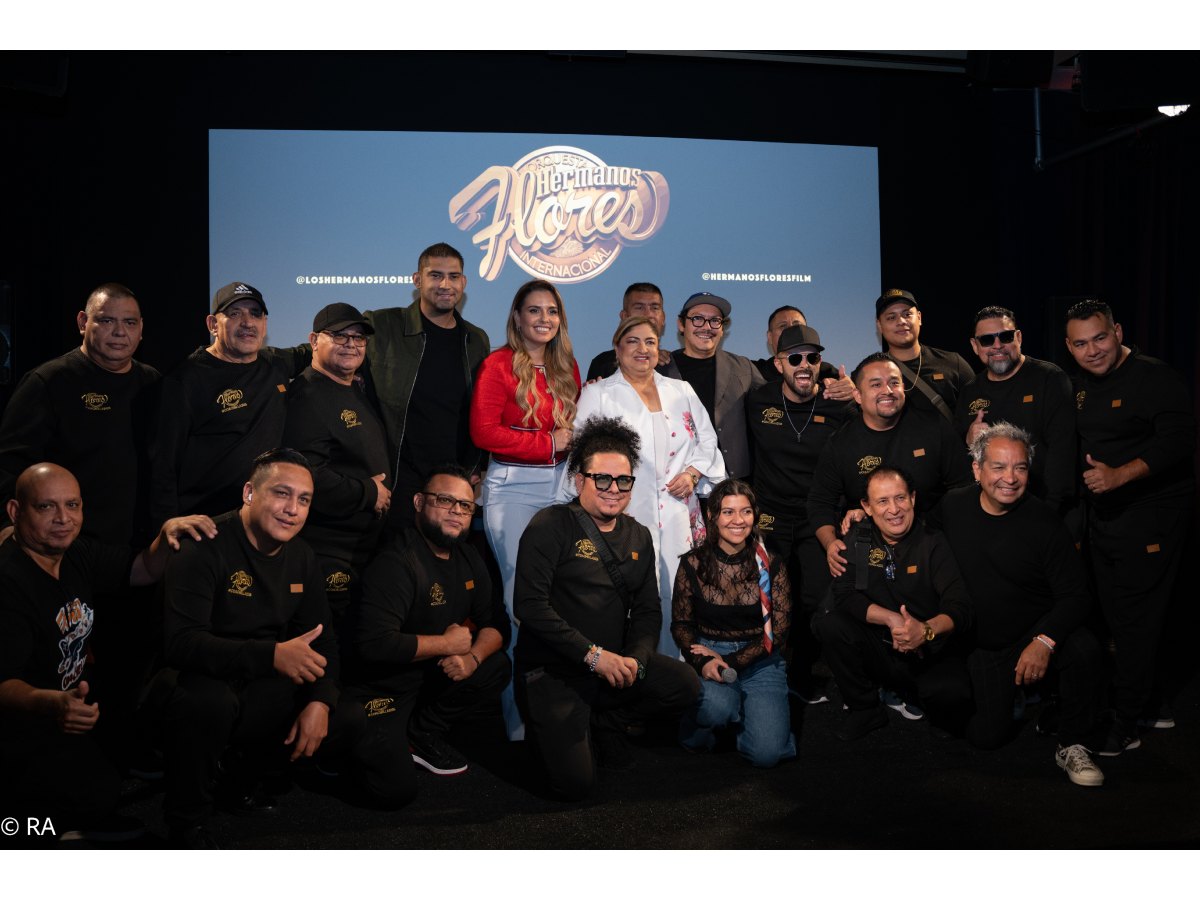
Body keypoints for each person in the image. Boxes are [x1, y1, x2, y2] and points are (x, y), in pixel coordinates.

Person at [0, 463, 215, 841]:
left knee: (112, 771)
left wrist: (166, 536)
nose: (63, 519)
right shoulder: (9, 580)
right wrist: (51, 704)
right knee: (65, 808)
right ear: (16, 512)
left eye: (73, 505)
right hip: (23, 720)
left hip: (67, 709)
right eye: (46, 507)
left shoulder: (75, 553)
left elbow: (140, 569)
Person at [154, 448, 344, 848]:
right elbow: (181, 644)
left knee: (322, 702)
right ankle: (185, 818)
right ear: (248, 493)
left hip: (258, 672)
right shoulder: (204, 544)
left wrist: (321, 702)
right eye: (281, 493)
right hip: (196, 674)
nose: (292, 509)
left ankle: (239, 782)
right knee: (208, 701)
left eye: (304, 499)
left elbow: (322, 639)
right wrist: (272, 656)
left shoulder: (303, 556)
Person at [514, 416, 699, 800]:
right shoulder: (550, 525)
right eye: (602, 479)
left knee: (683, 686)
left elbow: (648, 610)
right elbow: (529, 607)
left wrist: (637, 660)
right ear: (579, 479)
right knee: (574, 787)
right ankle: (557, 727)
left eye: (623, 480)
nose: (613, 489)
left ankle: (606, 720)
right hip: (555, 671)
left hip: (612, 665)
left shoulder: (639, 535)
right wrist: (593, 656)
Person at [937, 424, 1106, 787]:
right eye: (998, 467)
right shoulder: (952, 507)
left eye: (1020, 468)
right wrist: (861, 519)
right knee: (985, 737)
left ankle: (1073, 741)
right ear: (977, 470)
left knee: (1084, 649)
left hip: (1034, 628)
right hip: (986, 641)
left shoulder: (1044, 521)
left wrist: (1044, 641)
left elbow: (1077, 595)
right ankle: (1027, 698)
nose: (1010, 478)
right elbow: (908, 535)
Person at [1065, 299, 1195, 752]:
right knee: (1116, 617)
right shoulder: (1081, 385)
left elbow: (1181, 440)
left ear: (1117, 331)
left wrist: (1120, 475)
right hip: (1104, 520)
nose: (1093, 350)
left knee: (1136, 621)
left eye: (1100, 338)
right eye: (1081, 344)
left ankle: (1126, 722)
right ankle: (1151, 702)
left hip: (1151, 517)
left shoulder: (1154, 376)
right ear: (1070, 347)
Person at [346, 466, 510, 805]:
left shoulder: (467, 556)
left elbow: (496, 623)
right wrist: (447, 645)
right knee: (394, 792)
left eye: (465, 506)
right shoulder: (396, 561)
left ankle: (419, 733)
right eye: (445, 500)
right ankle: (343, 750)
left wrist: (472, 656)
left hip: (429, 676)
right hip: (381, 686)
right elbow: (373, 645)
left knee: (496, 666)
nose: (456, 511)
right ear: (419, 502)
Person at [562, 316, 726, 654]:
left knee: (679, 597)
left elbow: (708, 441)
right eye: (633, 341)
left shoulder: (680, 390)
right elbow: (580, 457)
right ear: (617, 349)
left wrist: (694, 473)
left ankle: (677, 674)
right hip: (623, 517)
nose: (643, 349)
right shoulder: (598, 394)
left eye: (650, 342)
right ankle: (629, 671)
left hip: (680, 515)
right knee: (629, 597)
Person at [470, 279, 580, 739]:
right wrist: (545, 442)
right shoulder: (498, 364)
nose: (543, 319)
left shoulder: (566, 366)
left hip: (561, 488)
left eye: (551, 311)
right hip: (513, 488)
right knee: (521, 605)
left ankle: (558, 712)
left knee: (559, 602)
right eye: (533, 311)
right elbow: (484, 433)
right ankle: (518, 724)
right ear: (517, 317)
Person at [813, 466, 973, 741]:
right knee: (830, 624)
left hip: (926, 650)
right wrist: (891, 619)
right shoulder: (860, 536)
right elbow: (845, 593)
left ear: (913, 498)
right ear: (867, 506)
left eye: (900, 498)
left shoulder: (933, 541)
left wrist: (923, 630)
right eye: (882, 501)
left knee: (954, 703)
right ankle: (865, 708)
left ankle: (913, 694)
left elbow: (961, 607)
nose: (894, 509)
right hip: (882, 647)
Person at [0, 283, 158, 546]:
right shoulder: (49, 382)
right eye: (107, 320)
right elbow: (9, 463)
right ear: (83, 322)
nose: (120, 332)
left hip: (138, 544)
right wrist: (6, 527)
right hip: (66, 543)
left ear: (141, 328)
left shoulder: (153, 383)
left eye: (130, 322)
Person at [745, 324, 857, 699]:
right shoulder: (757, 401)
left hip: (817, 518)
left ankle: (802, 673)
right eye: (795, 358)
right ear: (779, 364)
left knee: (814, 599)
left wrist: (855, 392)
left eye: (812, 357)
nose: (804, 365)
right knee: (770, 598)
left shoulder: (838, 404)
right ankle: (763, 675)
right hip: (770, 517)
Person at [150, 282, 308, 522]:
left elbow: (315, 351)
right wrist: (164, 532)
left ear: (264, 325)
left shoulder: (275, 364)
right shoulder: (184, 381)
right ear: (213, 324)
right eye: (235, 313)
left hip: (263, 521)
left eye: (255, 314)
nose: (247, 322)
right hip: (205, 524)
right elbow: (162, 466)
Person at [808, 352, 972, 580]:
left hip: (934, 544)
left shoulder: (934, 428)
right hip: (869, 552)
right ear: (857, 395)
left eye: (894, 382)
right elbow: (819, 503)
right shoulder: (841, 444)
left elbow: (963, 488)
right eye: (876, 384)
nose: (887, 390)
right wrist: (831, 543)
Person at [282, 302, 391, 629]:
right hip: (327, 550)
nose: (351, 344)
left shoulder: (353, 388)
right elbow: (303, 476)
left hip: (360, 548)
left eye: (359, 338)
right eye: (340, 336)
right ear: (314, 341)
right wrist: (368, 491)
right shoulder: (306, 396)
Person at [672, 479, 795, 767]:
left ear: (755, 515)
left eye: (746, 512)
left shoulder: (771, 563)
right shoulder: (692, 563)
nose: (738, 520)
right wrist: (701, 661)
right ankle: (709, 721)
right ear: (713, 515)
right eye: (728, 512)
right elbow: (681, 624)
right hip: (710, 652)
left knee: (768, 755)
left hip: (761, 658)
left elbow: (778, 632)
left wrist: (730, 661)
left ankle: (743, 713)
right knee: (714, 711)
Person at [361, 243, 490, 514]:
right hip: (395, 476)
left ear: (464, 282)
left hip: (451, 482)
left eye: (454, 276)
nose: (445, 284)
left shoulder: (476, 340)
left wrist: (474, 467)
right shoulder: (381, 325)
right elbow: (330, 350)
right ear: (417, 280)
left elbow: (482, 408)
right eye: (435, 275)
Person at [954, 306, 1076, 516]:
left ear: (1018, 337)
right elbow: (961, 462)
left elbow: (1063, 453)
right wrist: (968, 440)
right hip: (995, 515)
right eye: (987, 340)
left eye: (1006, 336)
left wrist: (1049, 511)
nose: (998, 346)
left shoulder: (1049, 379)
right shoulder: (969, 392)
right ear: (975, 346)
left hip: (1049, 510)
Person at [671, 291, 764, 480]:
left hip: (733, 485)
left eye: (715, 320)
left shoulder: (743, 367)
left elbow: (777, 398)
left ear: (722, 329)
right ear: (681, 324)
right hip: (678, 482)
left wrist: (828, 379)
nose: (707, 327)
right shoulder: (661, 368)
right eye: (697, 319)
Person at [875, 288, 973, 419]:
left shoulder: (952, 362)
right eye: (891, 317)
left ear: (919, 318)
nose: (901, 321)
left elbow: (979, 406)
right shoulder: (872, 371)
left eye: (907, 314)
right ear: (880, 326)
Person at [751, 304, 854, 400]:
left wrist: (850, 388)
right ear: (769, 337)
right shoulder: (752, 371)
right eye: (783, 326)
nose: (791, 331)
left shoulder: (826, 372)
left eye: (797, 326)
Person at [585, 282, 679, 381]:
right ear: (624, 316)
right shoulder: (603, 364)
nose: (648, 314)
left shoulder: (676, 363)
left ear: (663, 318)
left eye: (655, 308)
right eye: (639, 307)